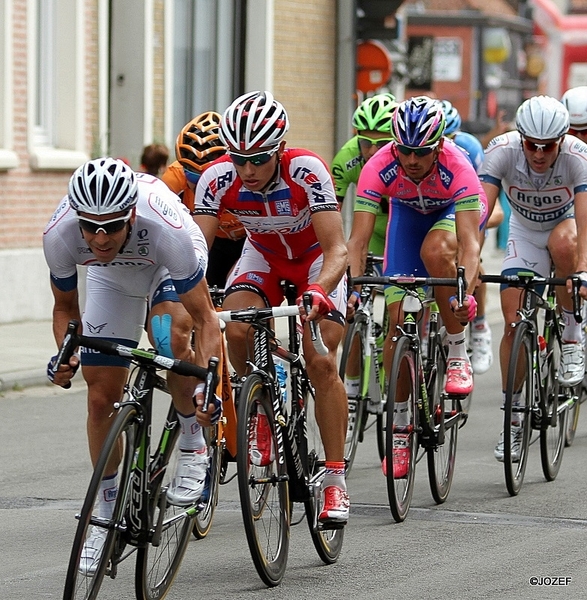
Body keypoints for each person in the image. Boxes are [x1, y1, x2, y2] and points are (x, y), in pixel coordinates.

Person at [43, 157, 222, 572]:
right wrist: (65, 353)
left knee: (169, 338)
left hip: (164, 266)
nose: (99, 237)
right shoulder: (60, 235)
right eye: (90, 226)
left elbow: (206, 320)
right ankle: (104, 515)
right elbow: (65, 309)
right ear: (78, 219)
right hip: (113, 278)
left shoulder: (165, 228)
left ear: (132, 215)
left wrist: (207, 386)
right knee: (99, 397)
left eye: (112, 226)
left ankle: (194, 447)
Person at [193, 91, 350, 527]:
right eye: (238, 158)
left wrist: (320, 289)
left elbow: (338, 249)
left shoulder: (306, 170)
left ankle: (335, 479)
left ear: (279, 150)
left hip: (316, 261)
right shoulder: (216, 178)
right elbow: (194, 254)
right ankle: (258, 406)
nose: (247, 170)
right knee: (237, 329)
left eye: (258, 159)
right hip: (262, 256)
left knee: (320, 360)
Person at [347, 96, 485, 478]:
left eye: (421, 152)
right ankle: (401, 429)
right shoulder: (380, 165)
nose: (411, 160)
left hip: (450, 216)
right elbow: (357, 241)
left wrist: (464, 294)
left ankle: (457, 352)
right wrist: (354, 291)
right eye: (404, 150)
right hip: (407, 217)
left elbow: (471, 245)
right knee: (396, 325)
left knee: (438, 250)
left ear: (439, 145)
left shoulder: (458, 166)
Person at [478, 95, 587, 462]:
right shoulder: (501, 151)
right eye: (531, 145)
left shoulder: (576, 155)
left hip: (565, 227)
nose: (539, 154)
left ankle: (571, 336)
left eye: (548, 146)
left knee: (566, 243)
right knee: (513, 321)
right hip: (523, 234)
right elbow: (480, 211)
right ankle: (513, 417)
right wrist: (471, 260)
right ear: (520, 138)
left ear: (562, 140)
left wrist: (583, 269)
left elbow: (585, 222)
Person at [441, 100, 497, 375]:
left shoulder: (469, 149)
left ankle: (480, 325)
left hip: (468, 206)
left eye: (450, 137)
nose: (446, 143)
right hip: (437, 210)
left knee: (473, 264)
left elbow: (483, 201)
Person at [162, 112, 246, 288]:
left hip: (250, 239)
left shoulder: (248, 175)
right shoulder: (174, 180)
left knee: (247, 295)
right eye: (194, 178)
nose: (204, 187)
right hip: (212, 242)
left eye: (211, 179)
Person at [331, 92, 397, 257]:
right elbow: (330, 215)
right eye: (366, 143)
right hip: (372, 231)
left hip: (408, 228)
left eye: (382, 144)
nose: (373, 151)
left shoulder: (410, 158)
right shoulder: (346, 159)